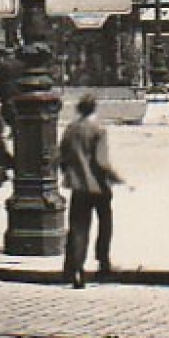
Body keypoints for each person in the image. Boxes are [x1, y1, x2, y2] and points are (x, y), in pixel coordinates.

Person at [58, 93, 125, 288]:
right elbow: (101, 162)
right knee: (105, 224)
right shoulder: (98, 129)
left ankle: (75, 269)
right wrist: (118, 179)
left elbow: (62, 157)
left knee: (78, 227)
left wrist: (71, 174)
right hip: (98, 185)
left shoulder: (70, 129)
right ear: (94, 109)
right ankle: (103, 262)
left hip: (78, 186)